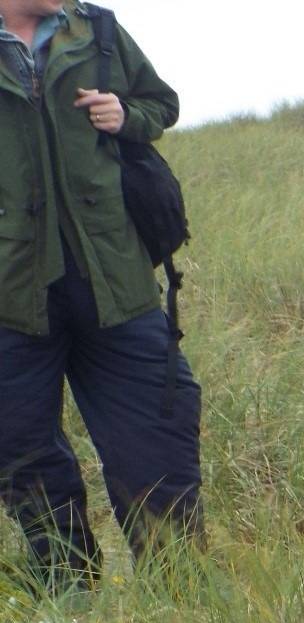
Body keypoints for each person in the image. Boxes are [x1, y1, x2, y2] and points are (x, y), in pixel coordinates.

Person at [0, 0, 202, 593]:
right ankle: (69, 598)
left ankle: (181, 597)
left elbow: (161, 104)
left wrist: (125, 114)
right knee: (20, 450)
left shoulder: (100, 30)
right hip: (11, 297)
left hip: (116, 283)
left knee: (157, 433)